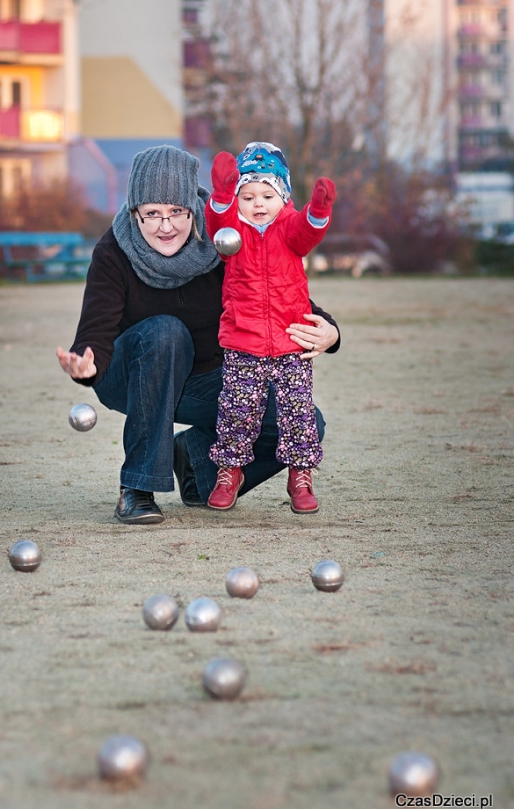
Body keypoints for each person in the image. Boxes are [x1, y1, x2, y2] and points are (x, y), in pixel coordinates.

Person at [56, 144, 340, 526]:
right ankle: (137, 489)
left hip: (205, 381)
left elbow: (277, 294)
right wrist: (85, 362)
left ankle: (196, 467)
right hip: (133, 374)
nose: (166, 225)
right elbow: (96, 326)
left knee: (306, 423)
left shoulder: (226, 238)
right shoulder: (114, 250)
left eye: (177, 212)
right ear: (134, 212)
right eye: (152, 214)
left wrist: (329, 331)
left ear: (193, 207)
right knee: (166, 332)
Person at [204, 142, 336, 514]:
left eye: (267, 194)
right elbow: (218, 223)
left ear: (283, 197)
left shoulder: (288, 230)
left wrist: (319, 209)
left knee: (298, 413)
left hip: (290, 342)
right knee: (236, 412)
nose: (258, 203)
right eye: (247, 196)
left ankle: (300, 474)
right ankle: (230, 470)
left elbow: (308, 232)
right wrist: (222, 193)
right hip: (243, 342)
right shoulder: (233, 236)